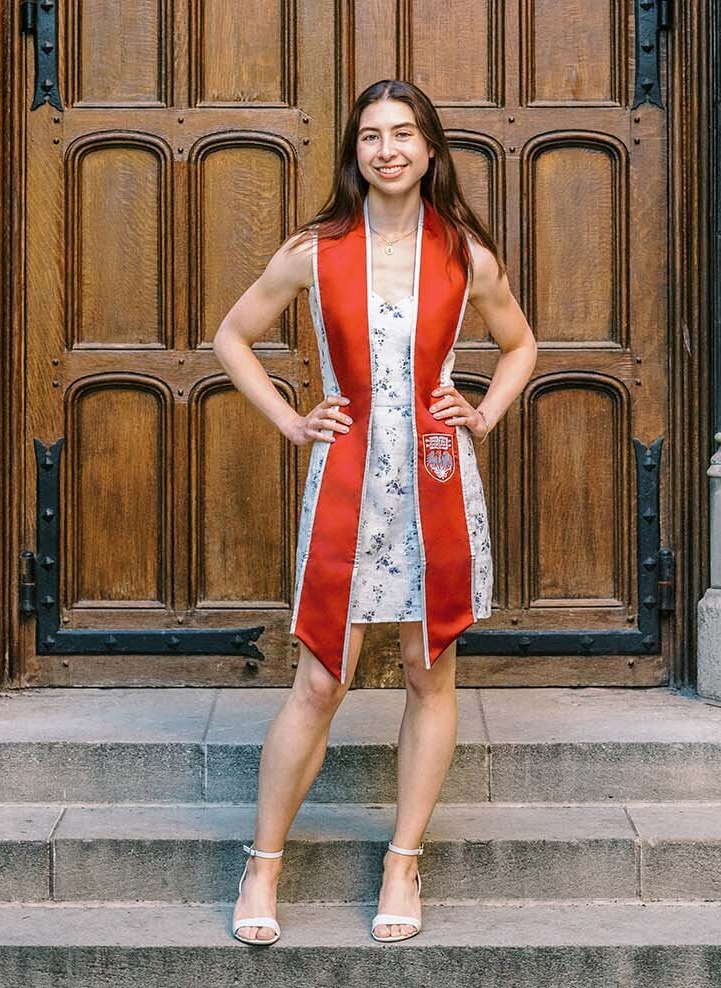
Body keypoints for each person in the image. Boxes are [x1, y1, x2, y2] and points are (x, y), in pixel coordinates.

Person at [213, 78, 538, 946]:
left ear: (430, 150)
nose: (387, 149)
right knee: (321, 675)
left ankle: (402, 858)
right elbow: (231, 334)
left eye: (403, 134)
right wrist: (290, 418)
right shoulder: (314, 251)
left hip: (434, 477)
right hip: (348, 482)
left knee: (429, 669)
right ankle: (263, 864)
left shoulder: (463, 252)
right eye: (370, 136)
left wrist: (484, 411)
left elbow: (519, 343)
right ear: (354, 152)